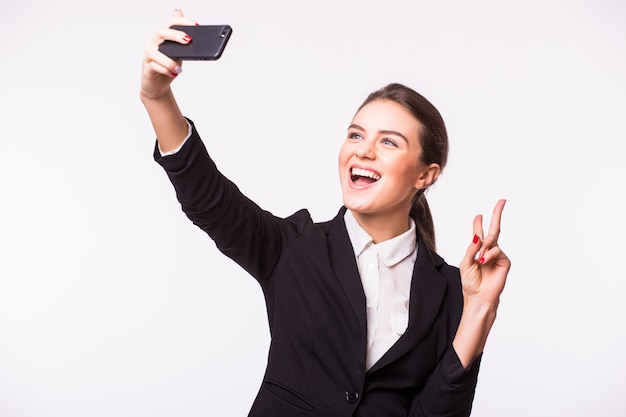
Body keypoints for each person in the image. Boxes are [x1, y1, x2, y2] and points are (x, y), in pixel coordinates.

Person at [140, 10, 511, 417]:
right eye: (356, 134)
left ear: (426, 174)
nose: (363, 150)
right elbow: (207, 199)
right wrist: (158, 97)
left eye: (389, 142)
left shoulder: (450, 290)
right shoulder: (292, 248)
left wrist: (478, 309)